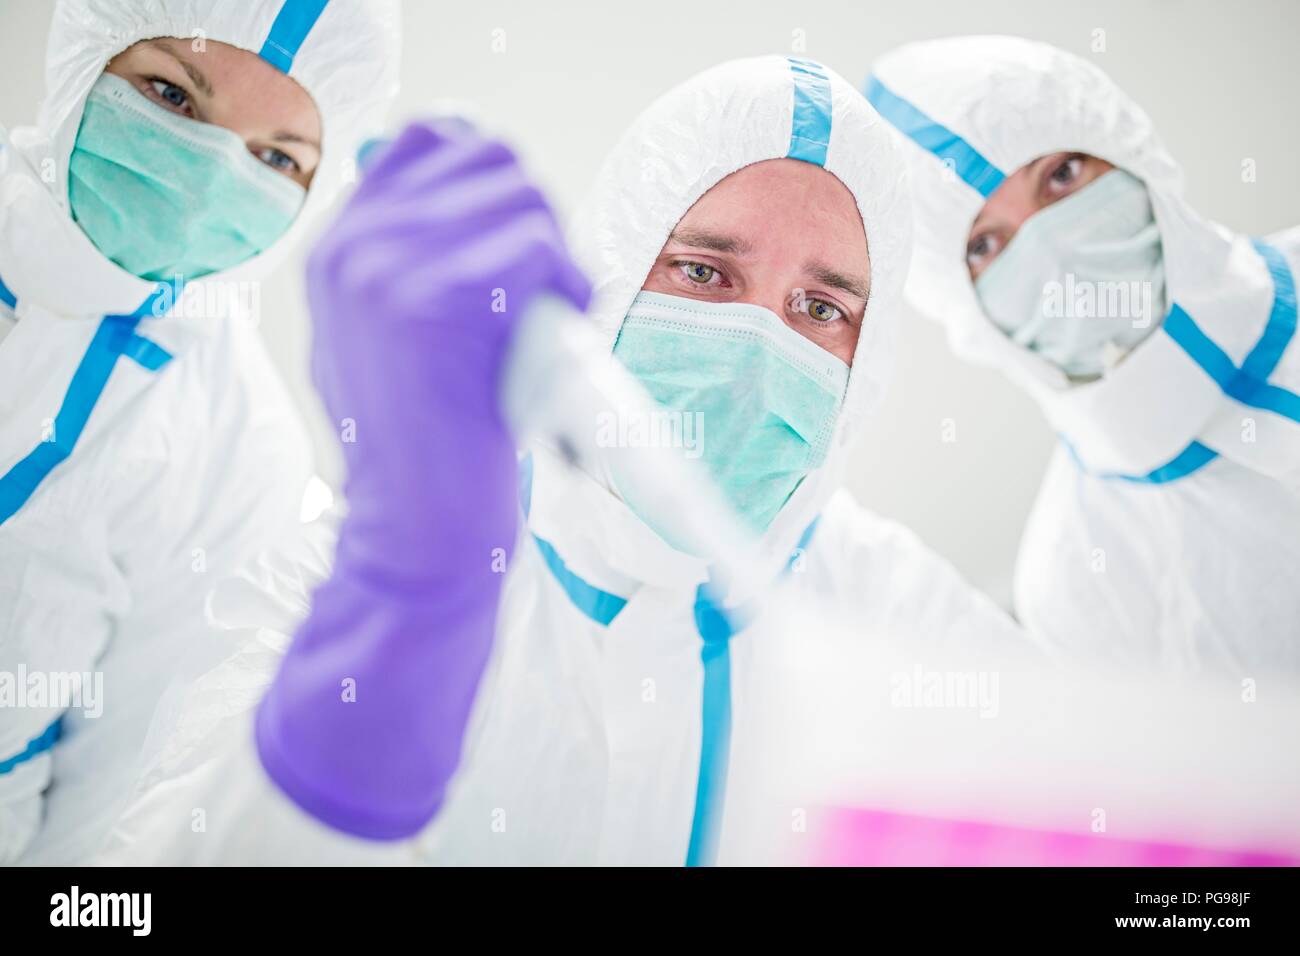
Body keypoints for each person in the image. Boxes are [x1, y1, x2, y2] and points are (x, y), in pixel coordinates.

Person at [100, 56, 1033, 867]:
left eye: (822, 309)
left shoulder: (904, 629)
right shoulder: (369, 586)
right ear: (614, 278)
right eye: (704, 273)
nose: (756, 348)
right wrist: (408, 608)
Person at [0, 0, 400, 863]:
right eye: (174, 98)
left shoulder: (243, 452)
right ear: (85, 61)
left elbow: (111, 808)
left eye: (276, 158)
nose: (211, 176)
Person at [865, 36, 1300, 674]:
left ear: (1126, 149)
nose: (1053, 252)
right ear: (960, 308)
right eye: (987, 245)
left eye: (1061, 176)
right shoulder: (1078, 581)